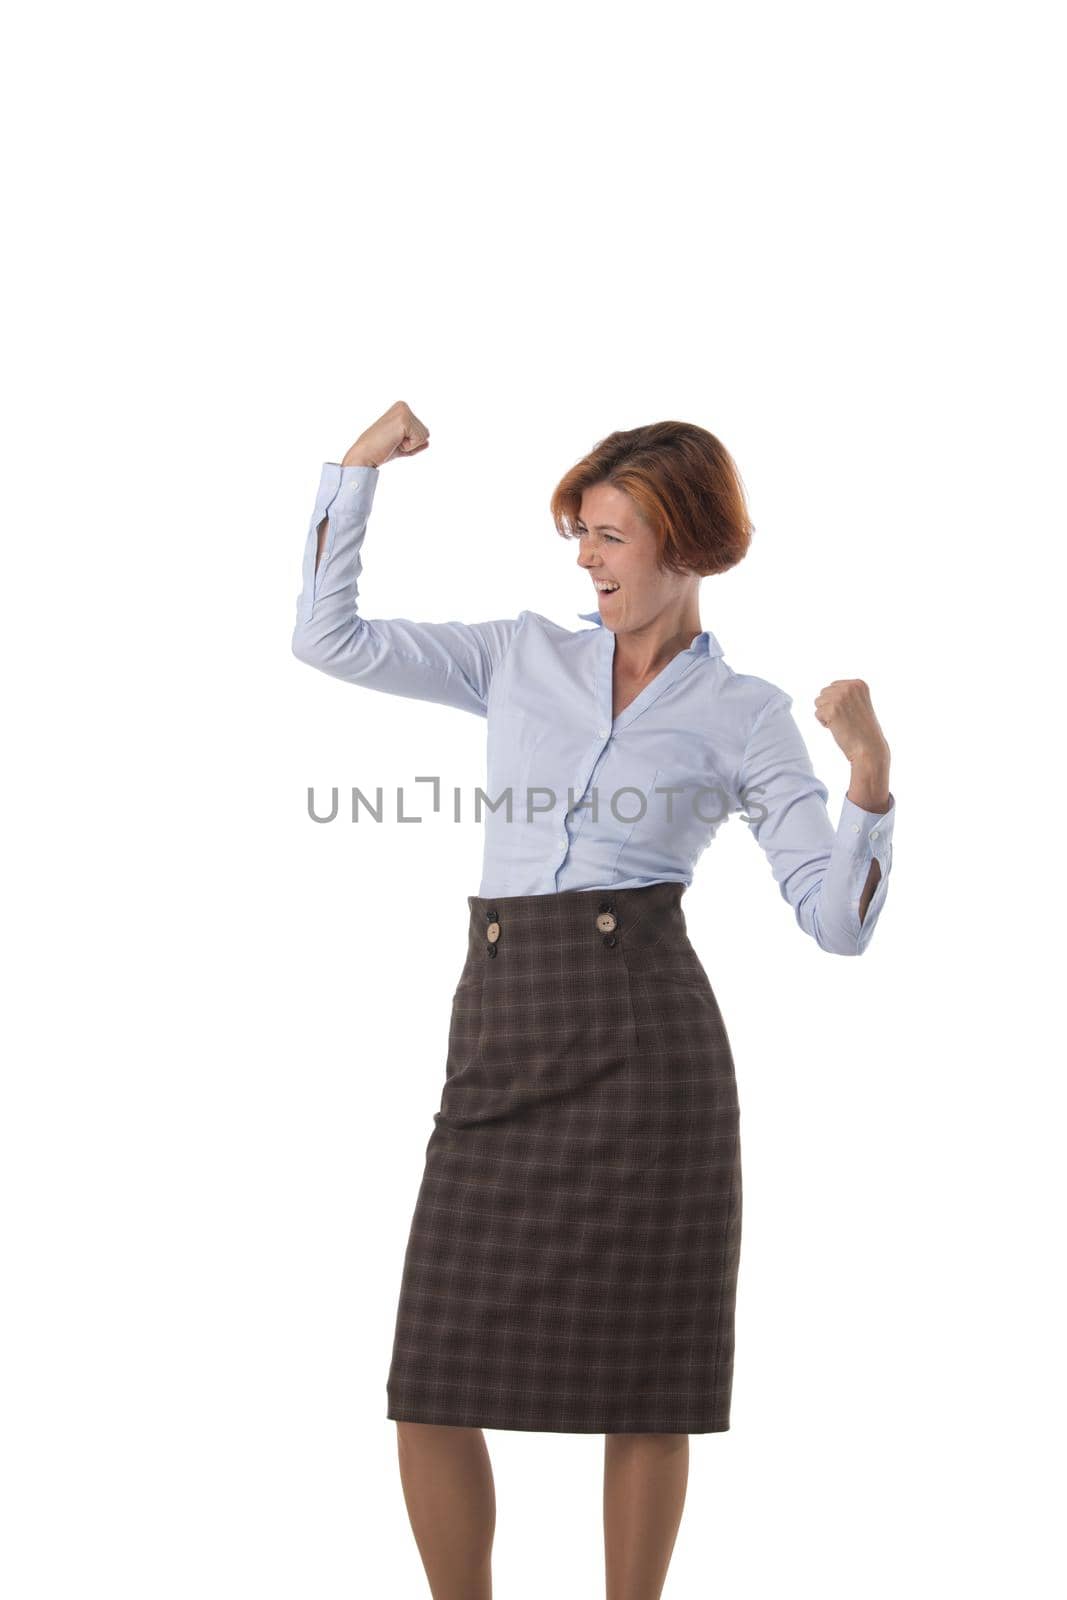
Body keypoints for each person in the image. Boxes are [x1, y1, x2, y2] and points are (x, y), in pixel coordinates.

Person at [291, 400, 895, 1600]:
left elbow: (834, 922)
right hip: (502, 1026)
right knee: (431, 1373)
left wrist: (868, 778)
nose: (584, 559)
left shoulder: (745, 716)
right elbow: (329, 639)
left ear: (681, 542)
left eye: (609, 535)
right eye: (580, 533)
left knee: (643, 1377)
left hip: (648, 1049)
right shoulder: (519, 655)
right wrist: (356, 472)